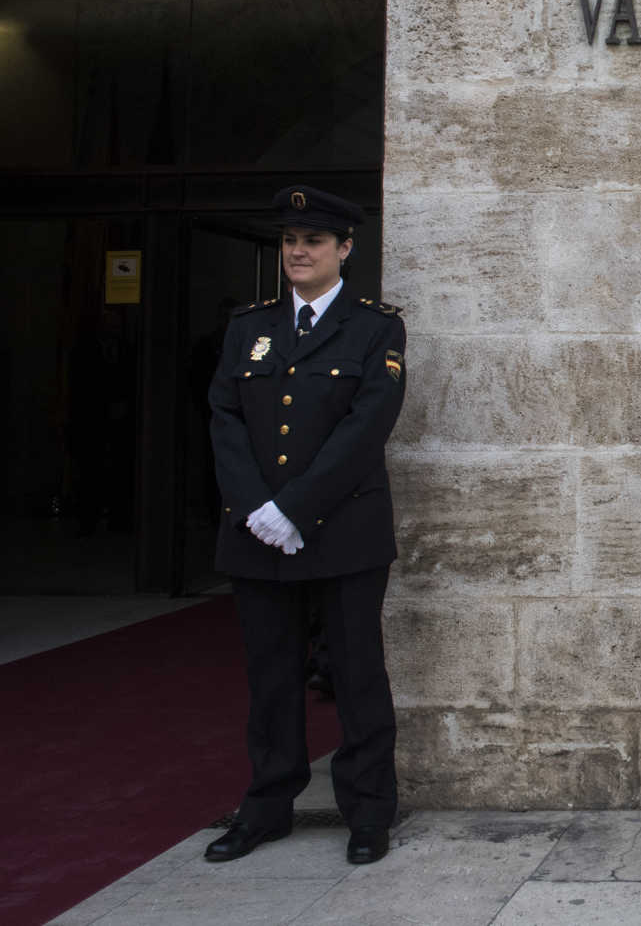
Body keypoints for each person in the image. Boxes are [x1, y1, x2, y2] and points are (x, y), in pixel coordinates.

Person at [203, 185, 408, 867]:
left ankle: (368, 810)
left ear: (344, 248)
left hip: (343, 529)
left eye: (313, 241)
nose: (298, 251)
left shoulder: (375, 328)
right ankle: (267, 806)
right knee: (271, 677)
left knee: (356, 673)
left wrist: (296, 506)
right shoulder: (248, 326)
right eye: (290, 240)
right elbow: (225, 418)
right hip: (257, 531)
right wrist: (257, 508)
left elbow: (366, 427)